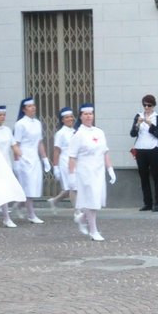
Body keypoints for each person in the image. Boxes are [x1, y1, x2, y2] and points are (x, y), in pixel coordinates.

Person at [67, 103, 115, 241]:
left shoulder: (99, 132)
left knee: (96, 200)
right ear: (81, 117)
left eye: (90, 114)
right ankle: (93, 230)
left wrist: (110, 169)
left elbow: (105, 152)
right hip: (85, 171)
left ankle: (82, 218)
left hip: (98, 171)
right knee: (91, 200)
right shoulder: (78, 135)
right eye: (85, 114)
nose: (89, 116)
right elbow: (72, 157)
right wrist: (71, 175)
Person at [11, 96, 47, 223]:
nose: (33, 108)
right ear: (24, 109)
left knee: (34, 185)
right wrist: (17, 161)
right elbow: (16, 144)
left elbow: (40, 142)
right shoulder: (20, 124)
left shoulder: (37, 123)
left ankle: (18, 206)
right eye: (30, 106)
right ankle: (31, 214)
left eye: (34, 106)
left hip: (35, 157)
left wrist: (45, 158)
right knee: (28, 186)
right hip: (24, 157)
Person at [131, 94, 158, 212]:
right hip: (140, 149)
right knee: (143, 177)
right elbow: (132, 134)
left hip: (154, 149)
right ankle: (148, 203)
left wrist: (151, 125)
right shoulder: (138, 116)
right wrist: (137, 124)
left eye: (149, 105)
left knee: (157, 176)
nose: (146, 107)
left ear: (153, 105)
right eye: (144, 105)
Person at [50, 106, 77, 210]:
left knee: (70, 188)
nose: (70, 119)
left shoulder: (75, 131)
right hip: (65, 162)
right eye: (67, 117)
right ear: (62, 120)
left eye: (71, 117)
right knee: (71, 187)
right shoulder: (60, 133)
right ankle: (77, 210)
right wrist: (56, 167)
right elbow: (56, 151)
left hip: (74, 161)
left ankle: (54, 201)